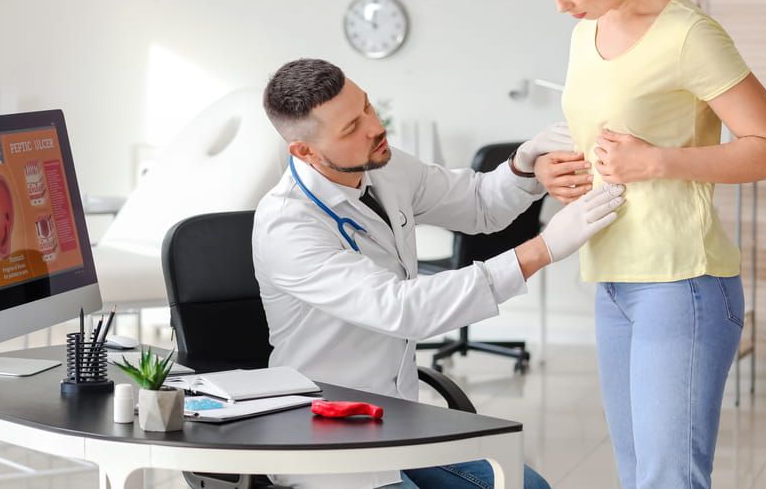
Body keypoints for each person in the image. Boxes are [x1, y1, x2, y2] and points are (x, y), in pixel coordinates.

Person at [520, 0, 766, 489]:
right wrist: (564, 173)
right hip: (612, 279)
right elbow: (606, 142)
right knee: (637, 476)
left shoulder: (688, 34)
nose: (560, 6)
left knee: (668, 481)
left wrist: (657, 162)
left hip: (684, 284)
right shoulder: (585, 32)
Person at [252, 58, 626, 489]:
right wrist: (541, 250)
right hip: (328, 439)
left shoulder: (384, 166)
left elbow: (478, 203)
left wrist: (525, 165)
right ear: (304, 151)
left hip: (397, 422)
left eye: (368, 108)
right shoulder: (288, 225)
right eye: (351, 127)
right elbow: (404, 309)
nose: (374, 127)